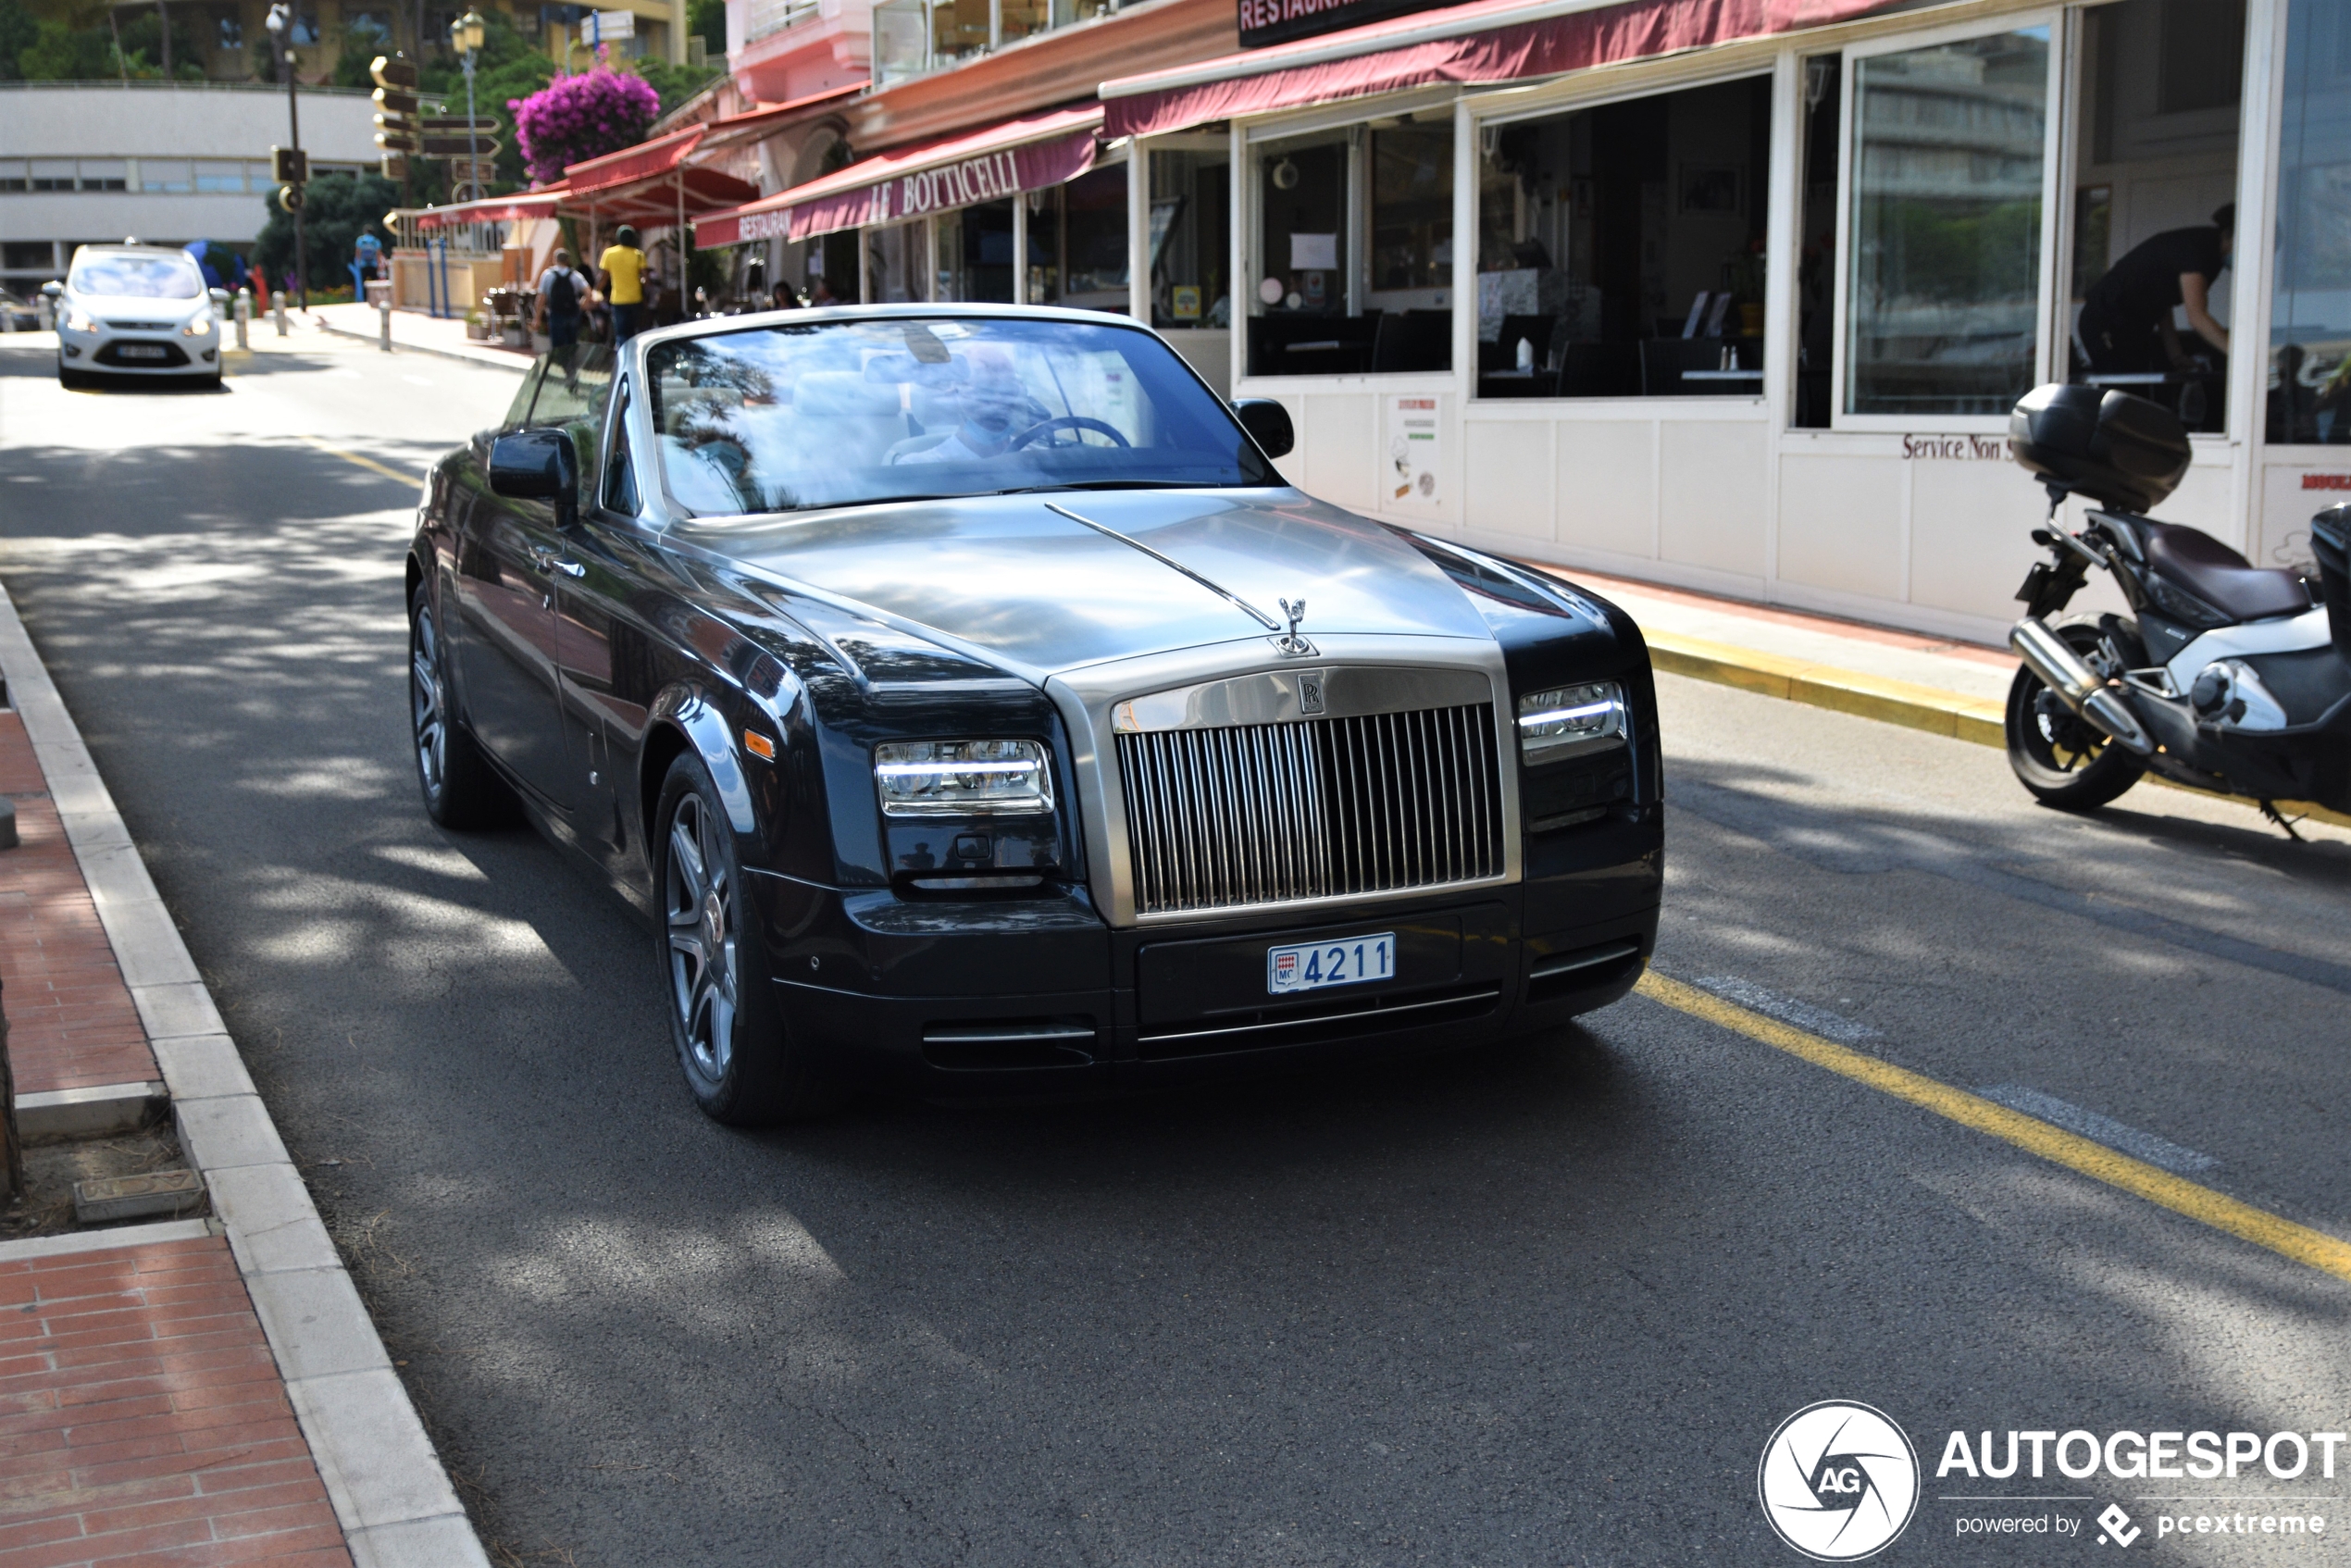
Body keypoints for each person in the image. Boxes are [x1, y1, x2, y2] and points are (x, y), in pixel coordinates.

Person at [2078, 204, 2233, 376]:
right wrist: (2238, 356)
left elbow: (2161, 302)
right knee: (2122, 388)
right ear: (2230, 236)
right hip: (2105, 320)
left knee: (2139, 390)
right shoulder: (2200, 249)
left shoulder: (2210, 255)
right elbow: (2197, 317)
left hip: (2132, 328)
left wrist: (2176, 355)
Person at [889, 346, 1038, 466]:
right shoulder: (920, 467)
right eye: (986, 389)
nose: (999, 400)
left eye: (1008, 387)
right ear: (954, 394)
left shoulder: (1037, 459)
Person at [599, 225, 649, 342]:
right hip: (635, 298)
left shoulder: (609, 254)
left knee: (621, 333)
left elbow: (603, 278)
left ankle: (623, 356)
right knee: (635, 332)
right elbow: (647, 280)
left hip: (618, 299)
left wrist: (597, 291)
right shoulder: (638, 254)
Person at [534, 247, 592, 349]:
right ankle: (570, 364)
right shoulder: (575, 275)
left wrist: (537, 317)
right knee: (571, 344)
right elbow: (588, 293)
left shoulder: (548, 275)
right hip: (572, 312)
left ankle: (560, 363)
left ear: (554, 259)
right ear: (567, 260)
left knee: (557, 346)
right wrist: (581, 305)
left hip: (556, 313)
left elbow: (542, 298)